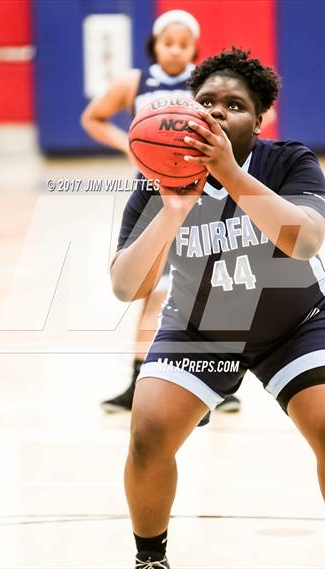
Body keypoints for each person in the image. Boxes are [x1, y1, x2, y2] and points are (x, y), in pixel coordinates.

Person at [110, 48, 325, 569]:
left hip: (295, 327)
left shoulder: (289, 160)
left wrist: (229, 174)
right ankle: (150, 559)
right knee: (147, 432)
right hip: (199, 332)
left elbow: (305, 241)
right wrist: (171, 211)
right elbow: (126, 286)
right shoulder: (159, 176)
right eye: (205, 101)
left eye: (233, 105)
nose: (215, 111)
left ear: (259, 118)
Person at [81, 9, 241, 415]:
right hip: (153, 194)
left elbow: (249, 116)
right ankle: (138, 380)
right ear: (155, 44)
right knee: (151, 290)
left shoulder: (208, 83)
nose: (175, 49)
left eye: (183, 43)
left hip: (202, 191)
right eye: (168, 42)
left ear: (193, 47)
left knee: (209, 288)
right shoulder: (134, 82)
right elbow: (93, 117)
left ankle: (218, 381)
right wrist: (130, 145)